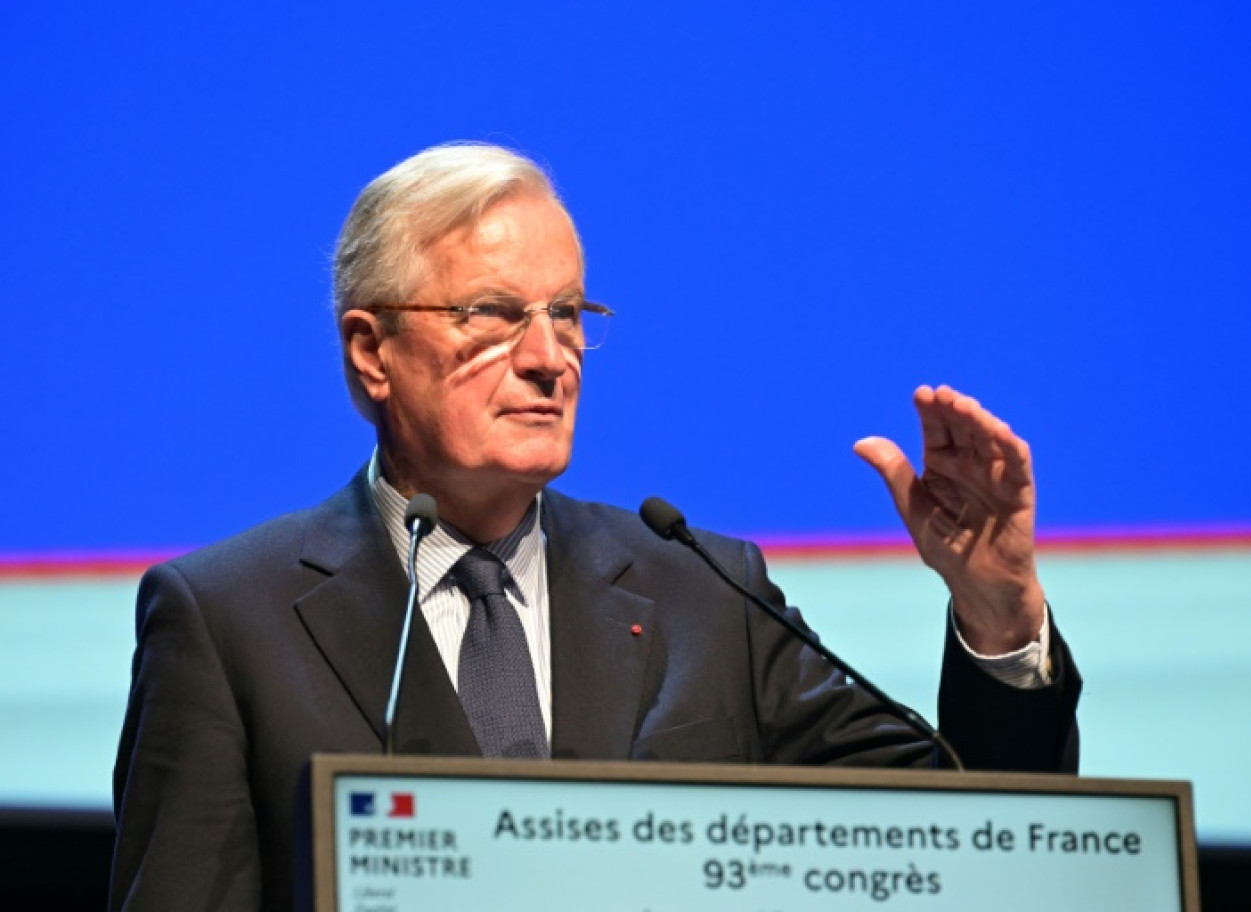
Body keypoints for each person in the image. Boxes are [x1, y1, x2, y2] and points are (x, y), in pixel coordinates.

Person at [110, 143, 1080, 910]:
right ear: (372, 353)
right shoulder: (232, 620)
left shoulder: (703, 590)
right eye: (493, 315)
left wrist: (998, 616)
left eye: (569, 314)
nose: (549, 357)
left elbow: (975, 832)